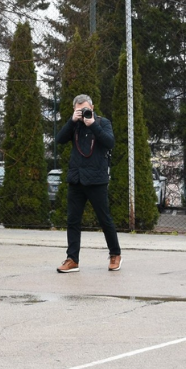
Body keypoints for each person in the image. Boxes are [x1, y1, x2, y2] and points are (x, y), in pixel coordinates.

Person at [55, 94, 120, 273]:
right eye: (80, 110)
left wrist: (93, 125)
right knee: (73, 220)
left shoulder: (102, 122)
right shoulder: (74, 126)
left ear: (92, 107)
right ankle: (72, 259)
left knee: (104, 219)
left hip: (96, 180)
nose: (84, 113)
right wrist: (71, 121)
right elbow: (59, 140)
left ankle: (115, 254)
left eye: (86, 109)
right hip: (76, 179)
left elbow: (110, 142)